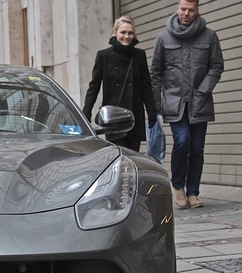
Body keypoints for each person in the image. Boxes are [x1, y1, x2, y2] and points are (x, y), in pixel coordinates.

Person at [150, 0, 224, 209]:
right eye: (183, 9)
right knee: (182, 141)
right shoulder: (163, 38)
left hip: (200, 101)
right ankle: (178, 187)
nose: (186, 13)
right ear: (177, 9)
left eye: (191, 10)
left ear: (197, 10)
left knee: (197, 148)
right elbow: (155, 72)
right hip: (175, 102)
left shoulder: (209, 36)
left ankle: (193, 192)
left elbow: (217, 66)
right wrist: (156, 106)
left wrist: (203, 89)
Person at [83, 16, 157, 153]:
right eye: (123, 32)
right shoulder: (103, 56)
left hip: (134, 117)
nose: (126, 36)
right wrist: (86, 112)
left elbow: (146, 86)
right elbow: (94, 87)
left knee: (133, 157)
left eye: (130, 33)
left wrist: (152, 113)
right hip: (113, 118)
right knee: (118, 156)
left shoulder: (139, 55)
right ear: (115, 33)